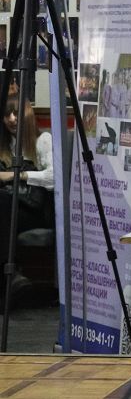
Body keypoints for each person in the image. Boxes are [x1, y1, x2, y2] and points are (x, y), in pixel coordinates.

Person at [0, 98, 54, 298]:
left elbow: (54, 177)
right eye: (7, 115)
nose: (11, 119)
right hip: (9, 208)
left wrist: (17, 175)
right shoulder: (5, 146)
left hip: (35, 210)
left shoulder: (42, 140)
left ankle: (10, 272)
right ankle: (9, 276)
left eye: (16, 113)